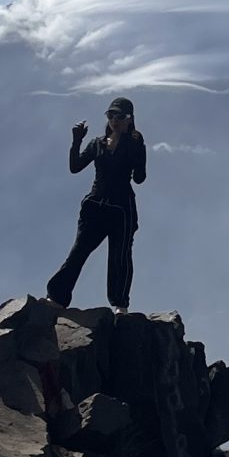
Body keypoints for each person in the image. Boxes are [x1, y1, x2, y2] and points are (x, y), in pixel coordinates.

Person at [46, 96, 147, 311]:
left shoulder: (134, 144)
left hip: (121, 209)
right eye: (111, 115)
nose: (115, 120)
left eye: (120, 116)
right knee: (78, 251)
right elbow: (75, 167)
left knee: (120, 257)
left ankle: (120, 305)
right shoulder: (97, 144)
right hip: (95, 206)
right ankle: (57, 297)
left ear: (130, 119)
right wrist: (76, 141)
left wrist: (138, 150)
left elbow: (139, 177)